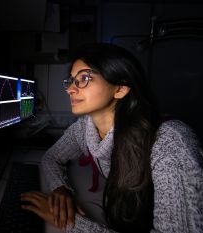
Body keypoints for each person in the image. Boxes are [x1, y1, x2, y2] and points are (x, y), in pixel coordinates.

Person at [20, 43, 203, 233]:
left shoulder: (170, 142)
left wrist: (71, 224)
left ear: (120, 89)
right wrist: (61, 189)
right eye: (72, 80)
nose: (70, 90)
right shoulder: (85, 129)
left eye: (84, 78)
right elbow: (52, 157)